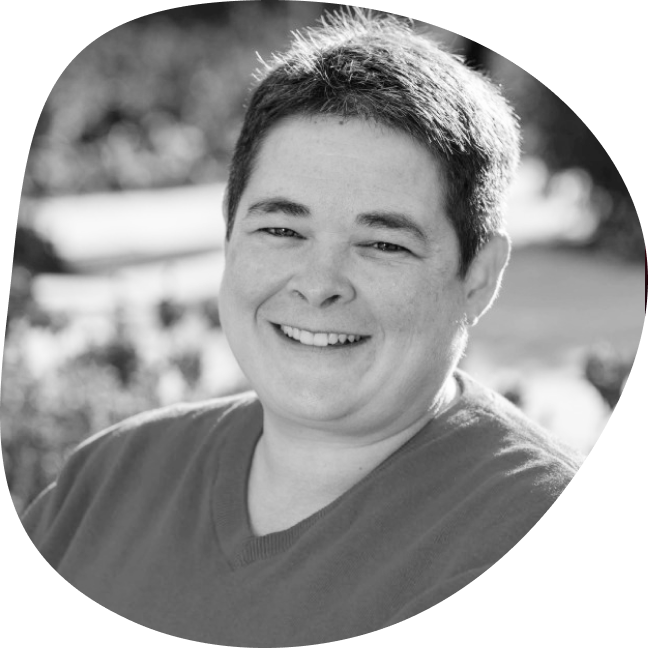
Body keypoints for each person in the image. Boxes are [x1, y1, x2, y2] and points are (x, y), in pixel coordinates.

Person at [21, 10, 581, 645]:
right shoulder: (108, 480)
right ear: (230, 236)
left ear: (479, 277)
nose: (318, 284)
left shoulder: (517, 524)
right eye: (282, 229)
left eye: (383, 244)